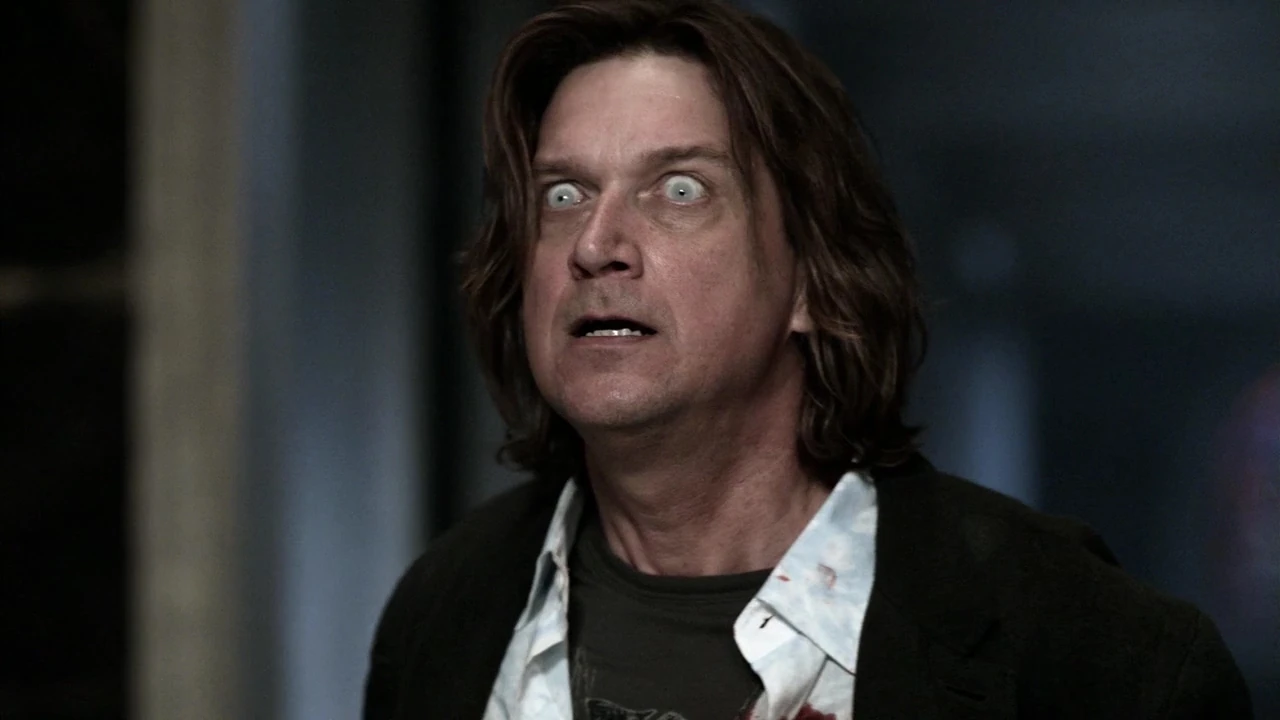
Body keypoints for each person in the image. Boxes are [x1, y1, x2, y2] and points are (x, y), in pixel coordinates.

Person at [363, 1, 1252, 718]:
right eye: (563, 195)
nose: (596, 244)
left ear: (813, 282)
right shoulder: (446, 613)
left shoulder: (1094, 655)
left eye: (680, 189)